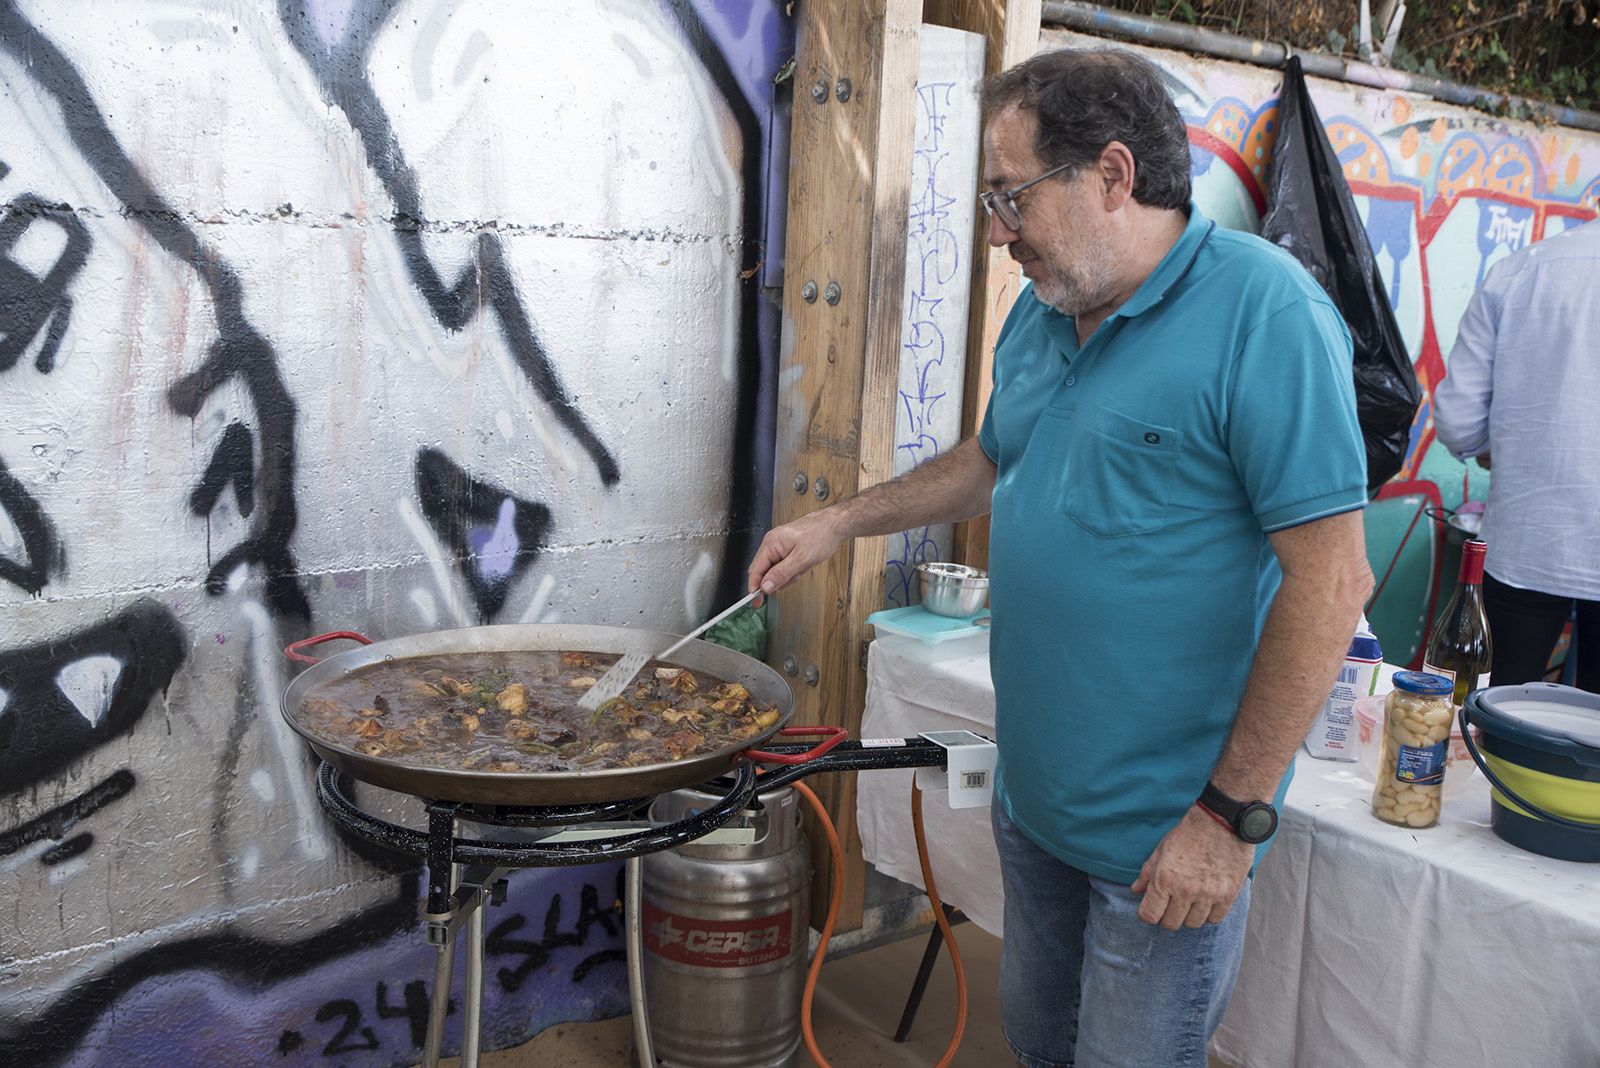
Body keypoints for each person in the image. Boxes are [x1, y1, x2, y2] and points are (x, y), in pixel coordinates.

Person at [748, 48, 1373, 1067]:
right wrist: (837, 523)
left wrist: (1225, 820)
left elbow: (1332, 578)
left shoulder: (1266, 315)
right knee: (1039, 1046)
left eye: (1012, 199)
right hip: (1034, 804)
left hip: (1165, 835)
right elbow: (992, 459)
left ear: (1113, 177)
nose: (1000, 236)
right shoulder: (1044, 314)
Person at [1432, 216, 1600, 693]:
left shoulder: (1522, 271)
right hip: (1528, 543)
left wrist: (1490, 449)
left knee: (1495, 712)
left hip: (1528, 540)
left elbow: (1458, 418)